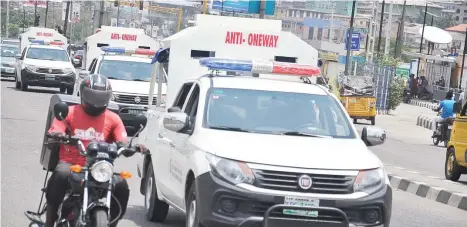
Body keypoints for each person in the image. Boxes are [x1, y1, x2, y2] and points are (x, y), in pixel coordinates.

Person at [45, 74, 144, 227]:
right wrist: (60, 135)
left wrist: (129, 147)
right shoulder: (69, 113)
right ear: (83, 93)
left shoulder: (113, 119)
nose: (96, 102)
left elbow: (122, 140)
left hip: (100, 167)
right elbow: (55, 130)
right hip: (72, 164)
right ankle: (49, 223)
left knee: (122, 184)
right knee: (61, 174)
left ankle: (112, 223)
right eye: (92, 96)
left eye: (101, 97)